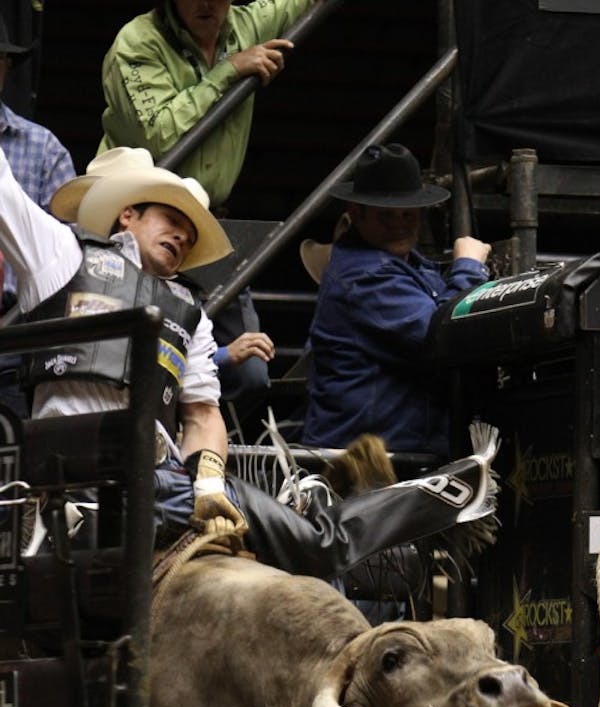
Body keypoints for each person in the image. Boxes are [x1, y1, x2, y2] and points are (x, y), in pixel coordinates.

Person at [0, 144, 499, 579]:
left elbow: (203, 414)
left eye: (190, 234)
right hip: (76, 475)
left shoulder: (187, 313)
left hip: (163, 484)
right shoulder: (61, 257)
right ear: (128, 213)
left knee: (317, 546)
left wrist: (210, 484)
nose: (181, 236)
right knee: (304, 541)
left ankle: (430, 499)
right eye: (171, 219)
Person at [97, 0, 313, 440]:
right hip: (135, 220)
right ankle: (151, 445)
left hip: (204, 222)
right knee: (118, 356)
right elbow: (159, 133)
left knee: (251, 373)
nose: (206, 3)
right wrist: (231, 71)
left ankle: (185, 446)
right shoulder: (137, 42)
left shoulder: (246, 25)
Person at [301, 143, 492, 460]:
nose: (399, 223)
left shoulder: (415, 268)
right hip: (366, 465)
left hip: (398, 456)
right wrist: (469, 268)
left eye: (407, 213)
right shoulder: (365, 274)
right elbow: (439, 336)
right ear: (355, 214)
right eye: (385, 215)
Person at [0, 14, 75, 414]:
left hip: (14, 327)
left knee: (8, 456)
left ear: (5, 68)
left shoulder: (43, 149)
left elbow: (70, 254)